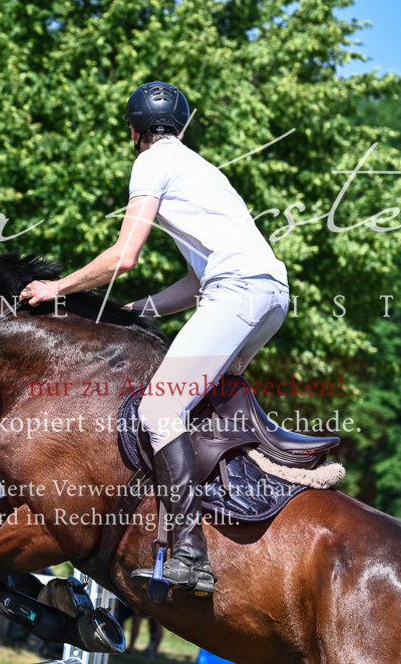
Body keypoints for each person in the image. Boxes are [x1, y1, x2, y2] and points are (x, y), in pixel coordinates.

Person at [21, 81, 310, 596]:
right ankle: (238, 501)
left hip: (238, 291)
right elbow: (195, 283)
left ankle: (191, 552)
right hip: (271, 296)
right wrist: (136, 309)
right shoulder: (202, 169)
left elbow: (123, 255)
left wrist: (57, 286)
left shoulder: (151, 162)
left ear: (135, 131)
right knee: (195, 407)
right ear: (182, 125)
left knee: (159, 411)